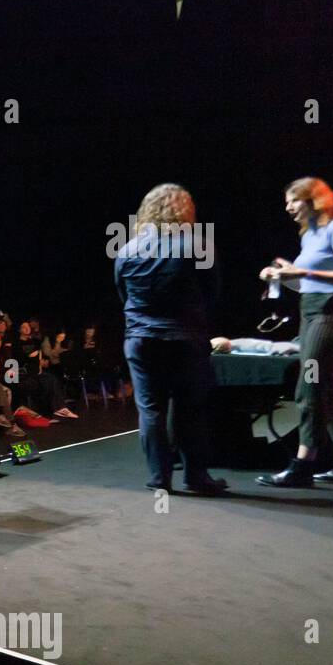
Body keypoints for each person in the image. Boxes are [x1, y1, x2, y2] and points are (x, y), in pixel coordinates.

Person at [114, 183, 227, 494]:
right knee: (190, 409)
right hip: (186, 339)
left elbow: (123, 294)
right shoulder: (198, 245)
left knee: (151, 410)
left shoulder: (127, 249)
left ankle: (159, 478)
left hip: (141, 338)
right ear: (185, 210)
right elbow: (213, 293)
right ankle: (196, 477)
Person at [257, 177, 333, 488]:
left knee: (310, 384)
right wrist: (282, 275)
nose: (287, 207)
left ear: (313, 200)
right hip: (313, 309)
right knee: (324, 387)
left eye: (293, 200)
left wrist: (302, 270)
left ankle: (303, 463)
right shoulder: (310, 235)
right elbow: (306, 284)